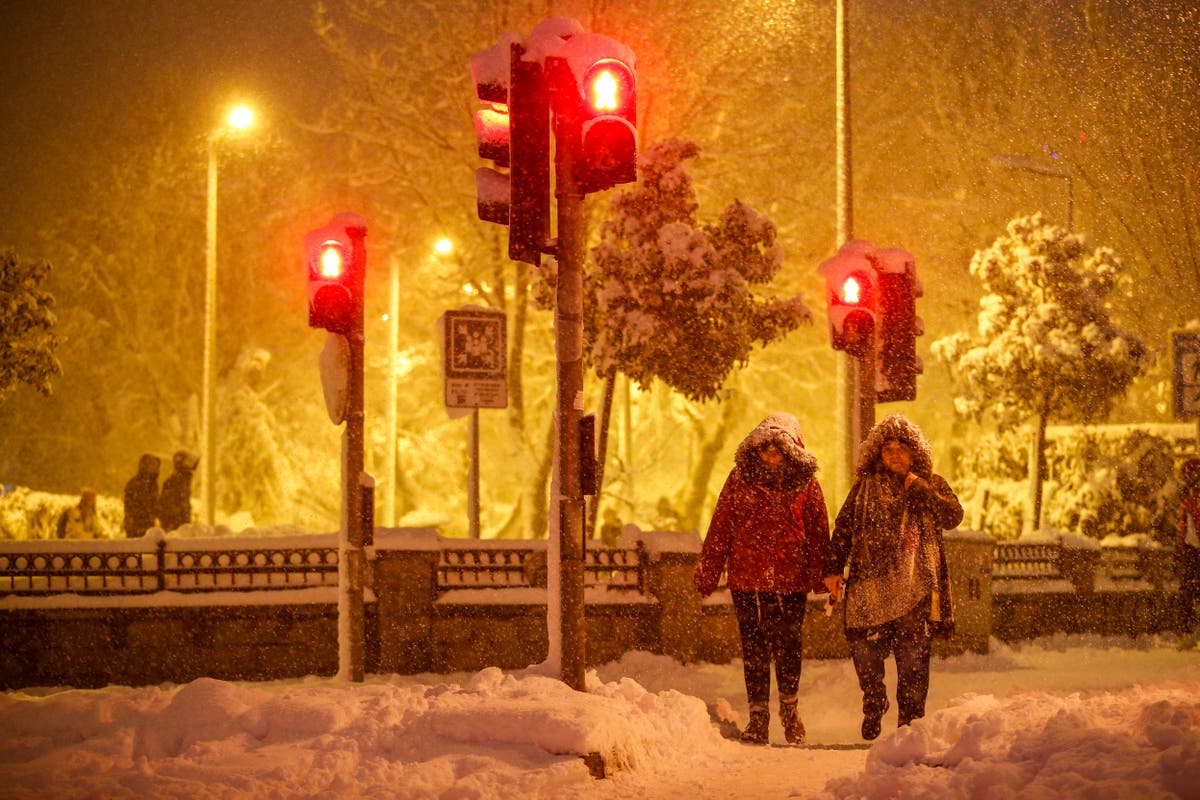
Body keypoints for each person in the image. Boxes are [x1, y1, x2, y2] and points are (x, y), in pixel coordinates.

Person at [823, 414, 963, 741]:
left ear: (915, 452)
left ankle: (910, 731)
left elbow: (953, 516)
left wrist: (921, 490)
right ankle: (874, 699)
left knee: (913, 663)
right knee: (864, 651)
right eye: (888, 449)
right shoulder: (865, 488)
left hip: (916, 588)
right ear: (878, 454)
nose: (895, 454)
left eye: (902, 448)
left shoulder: (931, 483)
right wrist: (832, 569)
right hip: (869, 588)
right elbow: (843, 530)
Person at [694, 413, 830, 745]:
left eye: (778, 451)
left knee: (788, 647)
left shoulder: (806, 484)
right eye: (766, 450)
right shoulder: (739, 479)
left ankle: (789, 707)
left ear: (791, 452)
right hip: (747, 579)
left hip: (790, 579)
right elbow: (722, 526)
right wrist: (708, 572)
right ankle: (758, 716)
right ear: (755, 451)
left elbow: (817, 530)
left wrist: (822, 574)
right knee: (754, 649)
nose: (771, 457)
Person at [1176, 457, 1200, 641]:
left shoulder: (1192, 499)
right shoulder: (1189, 498)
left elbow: (1185, 526)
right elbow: (1183, 526)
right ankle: (1187, 629)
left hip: (1193, 550)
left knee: (1190, 588)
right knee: (1189, 588)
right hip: (1192, 549)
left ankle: (1187, 629)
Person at [159, 450, 199, 532]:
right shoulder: (173, 482)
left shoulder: (184, 481)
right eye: (188, 462)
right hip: (175, 526)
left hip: (182, 524)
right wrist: (172, 524)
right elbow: (167, 506)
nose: (190, 466)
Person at [122, 453, 161, 538]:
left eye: (156, 465)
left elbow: (155, 504)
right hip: (136, 526)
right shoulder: (134, 483)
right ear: (144, 466)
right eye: (152, 464)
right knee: (136, 547)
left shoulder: (153, 485)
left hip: (149, 525)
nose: (155, 467)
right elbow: (129, 505)